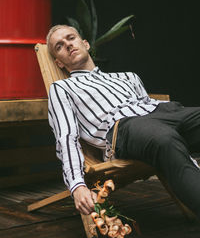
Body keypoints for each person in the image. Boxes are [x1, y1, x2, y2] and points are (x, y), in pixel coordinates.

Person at [46, 24, 200, 218]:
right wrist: (77, 185)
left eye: (71, 38)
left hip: (163, 111)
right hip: (124, 127)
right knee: (164, 139)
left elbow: (150, 107)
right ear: (59, 63)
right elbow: (66, 136)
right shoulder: (62, 88)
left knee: (166, 135)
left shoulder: (128, 77)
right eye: (59, 46)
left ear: (85, 44)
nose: (67, 45)